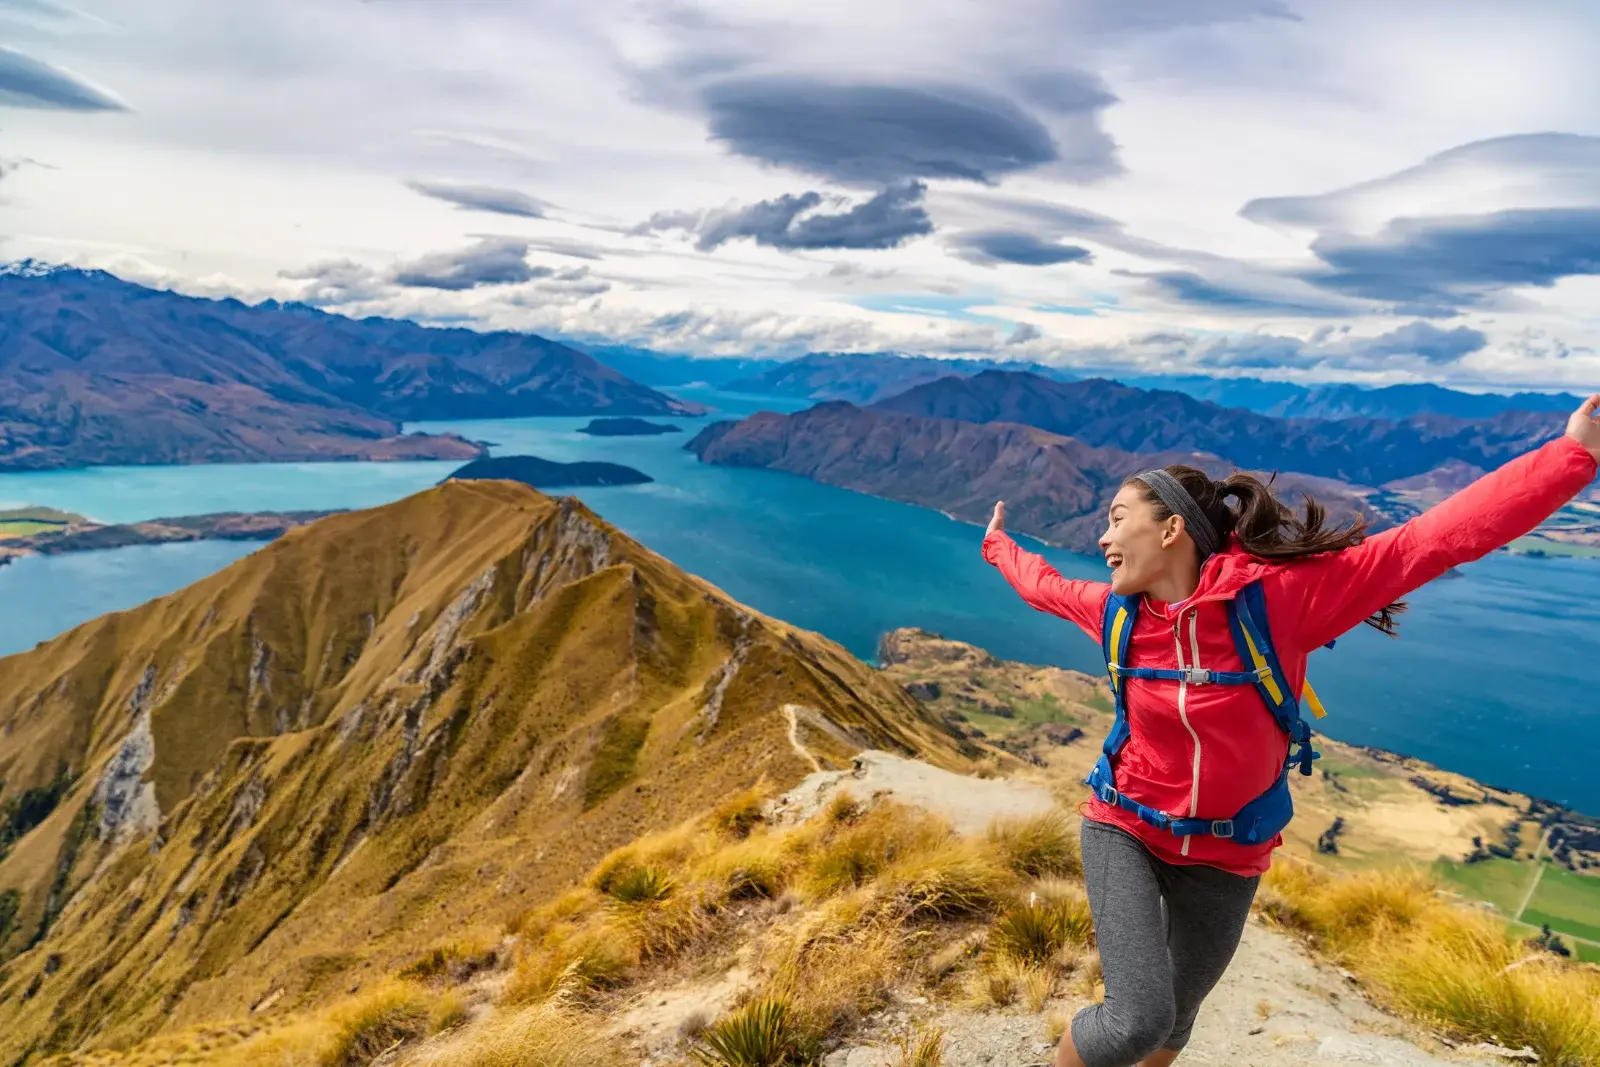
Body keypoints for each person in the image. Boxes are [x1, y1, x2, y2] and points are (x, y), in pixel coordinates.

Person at [981, 395, 1600, 1067]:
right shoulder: (1118, 613)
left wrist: (1574, 455)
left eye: (1117, 518)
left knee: (1175, 1024)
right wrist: (995, 542)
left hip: (1228, 852)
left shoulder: (1280, 603)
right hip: (1124, 827)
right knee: (1137, 1019)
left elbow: (1429, 541)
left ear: (1171, 531)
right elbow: (1039, 582)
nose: (1102, 538)